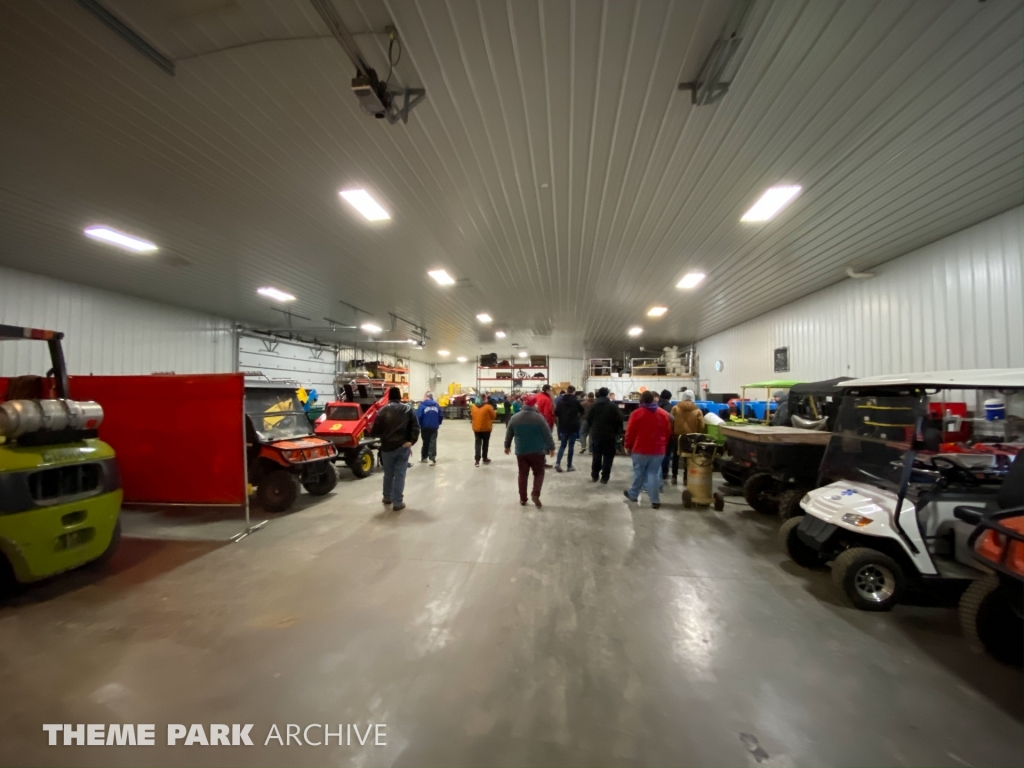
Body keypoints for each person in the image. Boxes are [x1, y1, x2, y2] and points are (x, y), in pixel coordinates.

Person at [369, 387, 420, 511]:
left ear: (389, 397)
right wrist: (411, 441)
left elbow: (375, 431)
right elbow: (415, 426)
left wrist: (384, 438)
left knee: (388, 474)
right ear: (400, 396)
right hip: (402, 447)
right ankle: (397, 503)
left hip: (386, 448)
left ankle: (387, 497)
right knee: (399, 475)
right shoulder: (408, 409)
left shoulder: (382, 411)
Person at [504, 394, 556, 507]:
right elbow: (547, 434)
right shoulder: (539, 418)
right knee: (539, 473)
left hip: (521, 451)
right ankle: (535, 494)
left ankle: (523, 498)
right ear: (534, 404)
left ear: (524, 403)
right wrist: (551, 447)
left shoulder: (515, 417)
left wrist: (507, 446)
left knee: (522, 474)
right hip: (537, 451)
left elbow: (509, 433)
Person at [623, 391, 672, 509]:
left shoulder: (637, 413)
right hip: (658, 450)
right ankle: (655, 500)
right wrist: (663, 444)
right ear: (654, 400)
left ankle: (633, 494)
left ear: (641, 400)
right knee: (654, 474)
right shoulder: (662, 413)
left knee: (639, 472)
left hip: (640, 448)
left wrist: (627, 446)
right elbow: (668, 431)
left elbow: (630, 432)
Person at [586, 387, 624, 484]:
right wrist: (617, 432)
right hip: (610, 435)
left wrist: (593, 428)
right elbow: (620, 420)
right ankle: (605, 477)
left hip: (596, 434)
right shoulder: (613, 406)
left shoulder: (593, 406)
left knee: (596, 455)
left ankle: (595, 475)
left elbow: (588, 419)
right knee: (608, 456)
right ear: (607, 394)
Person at [670, 390, 705, 485]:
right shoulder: (698, 411)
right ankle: (686, 478)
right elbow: (701, 425)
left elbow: (671, 422)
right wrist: (697, 433)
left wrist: (673, 432)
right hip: (691, 437)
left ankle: (674, 477)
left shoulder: (675, 408)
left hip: (677, 436)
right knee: (688, 458)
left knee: (676, 457)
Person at [554, 385, 584, 472]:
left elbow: (556, 414)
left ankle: (558, 463)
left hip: (563, 426)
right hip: (573, 427)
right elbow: (582, 411)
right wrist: (577, 418)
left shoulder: (560, 402)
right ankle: (569, 466)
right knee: (571, 446)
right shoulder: (576, 402)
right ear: (574, 392)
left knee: (562, 445)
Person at [415, 391, 444, 465]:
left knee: (425, 442)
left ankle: (424, 457)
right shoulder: (436, 405)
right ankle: (432, 459)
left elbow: (419, 417)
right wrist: (438, 423)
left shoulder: (422, 405)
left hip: (425, 427)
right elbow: (441, 415)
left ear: (426, 397)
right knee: (433, 442)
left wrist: (420, 425)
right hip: (434, 426)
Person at [471, 397, 497, 466]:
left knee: (477, 443)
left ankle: (477, 460)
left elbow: (472, 416)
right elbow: (494, 416)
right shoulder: (488, 407)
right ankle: (485, 458)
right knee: (485, 444)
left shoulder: (473, 407)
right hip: (486, 428)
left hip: (476, 428)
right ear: (484, 399)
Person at [657, 389, 676, 482]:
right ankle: (664, 473)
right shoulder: (671, 407)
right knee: (666, 454)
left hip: (655, 434)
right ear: (669, 398)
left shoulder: (655, 405)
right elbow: (673, 421)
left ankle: (657, 472)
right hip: (667, 433)